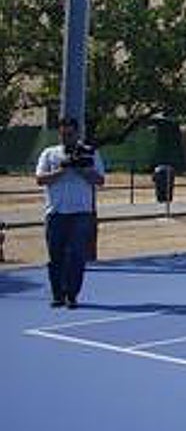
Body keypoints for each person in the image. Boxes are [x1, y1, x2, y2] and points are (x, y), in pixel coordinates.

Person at [35, 118, 105, 308]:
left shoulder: (90, 153)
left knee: (76, 256)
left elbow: (99, 180)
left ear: (77, 134)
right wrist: (62, 169)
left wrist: (81, 169)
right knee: (55, 255)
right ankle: (58, 294)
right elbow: (40, 179)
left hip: (81, 213)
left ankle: (72, 295)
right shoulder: (49, 154)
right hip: (56, 212)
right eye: (64, 134)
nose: (67, 138)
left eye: (71, 134)